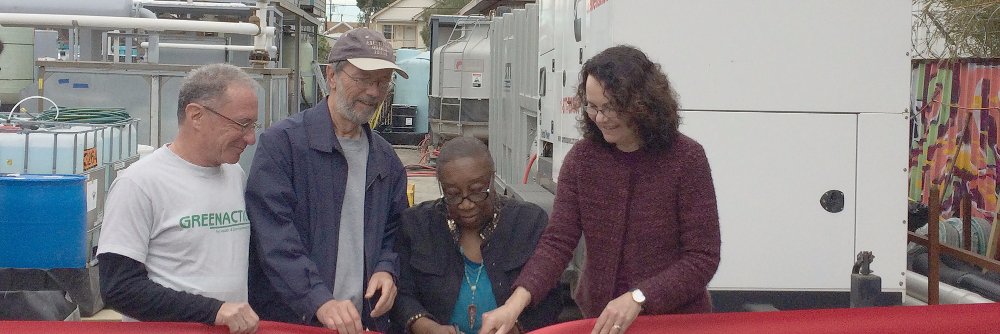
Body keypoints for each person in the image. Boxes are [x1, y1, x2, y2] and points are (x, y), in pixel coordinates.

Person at [480, 45, 722, 334]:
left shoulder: (687, 159)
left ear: (644, 104)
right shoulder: (582, 161)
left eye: (611, 107)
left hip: (674, 321)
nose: (600, 117)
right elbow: (557, 243)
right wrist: (513, 305)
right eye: (592, 106)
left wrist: (639, 297)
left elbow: (702, 256)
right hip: (601, 319)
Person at [245, 27, 409, 334]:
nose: (373, 92)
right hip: (294, 320)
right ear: (331, 76)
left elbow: (396, 230)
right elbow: (275, 238)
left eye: (382, 82)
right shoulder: (284, 145)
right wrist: (318, 299)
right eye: (362, 79)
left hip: (363, 321)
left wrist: (387, 269)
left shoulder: (385, 159)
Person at [97, 63, 261, 334]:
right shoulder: (138, 184)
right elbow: (119, 288)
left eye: (253, 125)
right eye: (242, 124)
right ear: (196, 116)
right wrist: (213, 311)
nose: (251, 138)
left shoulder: (235, 174)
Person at [389, 137, 562, 334]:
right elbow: (400, 293)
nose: (466, 204)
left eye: (478, 191)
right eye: (453, 194)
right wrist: (424, 326)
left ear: (492, 179)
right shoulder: (416, 225)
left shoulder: (528, 223)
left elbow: (550, 299)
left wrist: (514, 328)